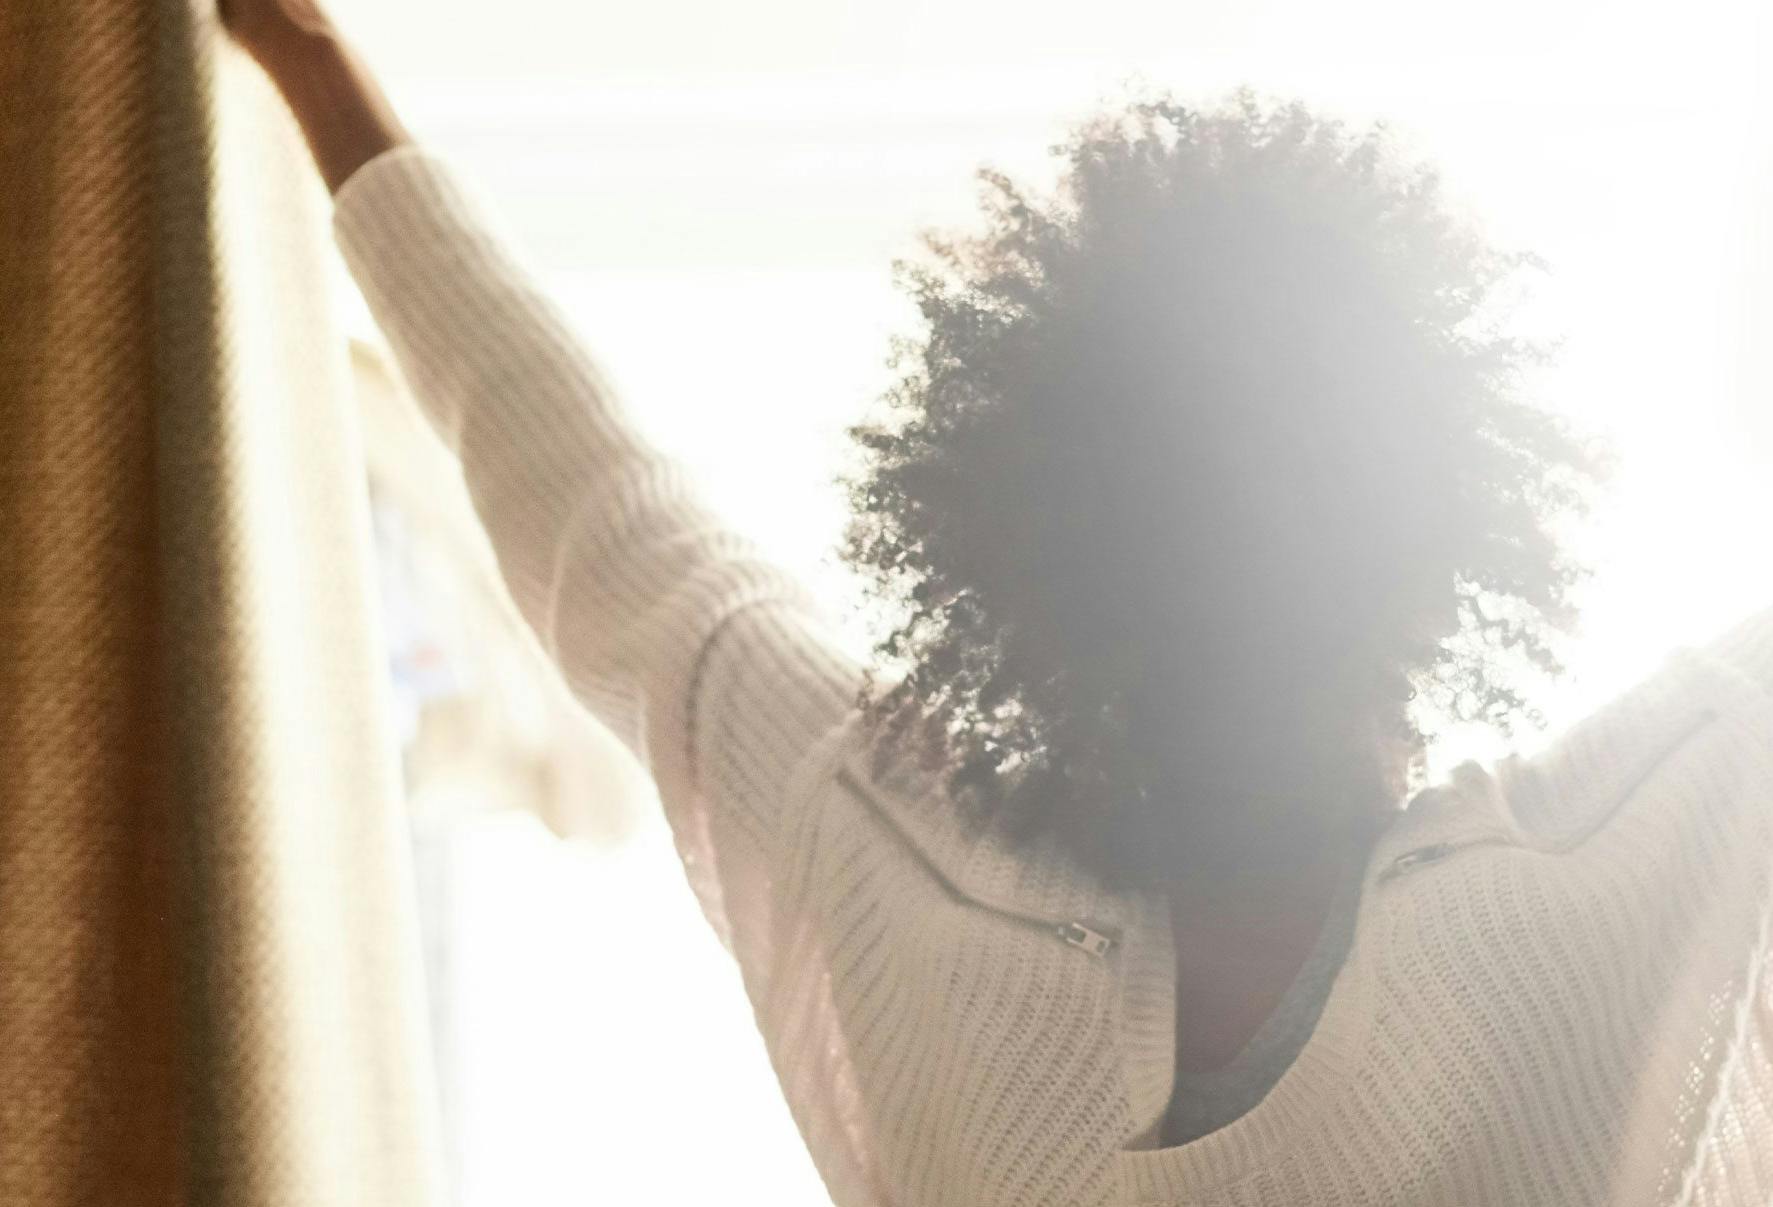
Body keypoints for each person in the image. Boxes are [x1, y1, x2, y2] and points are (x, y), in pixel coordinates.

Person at [222, 2, 1773, 1203]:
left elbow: (598, 510)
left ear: (1026, 588)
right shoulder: (1632, 862)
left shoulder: (907, 878)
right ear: (1438, 568)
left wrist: (311, 69)